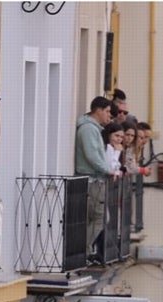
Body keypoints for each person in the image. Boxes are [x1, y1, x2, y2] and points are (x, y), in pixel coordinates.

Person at [75, 96, 115, 261]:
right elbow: (92, 155)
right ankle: (83, 249)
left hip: (94, 179)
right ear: (98, 110)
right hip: (93, 180)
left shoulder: (93, 128)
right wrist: (108, 170)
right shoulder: (89, 129)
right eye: (107, 112)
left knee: (95, 218)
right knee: (99, 218)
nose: (108, 116)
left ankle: (83, 248)